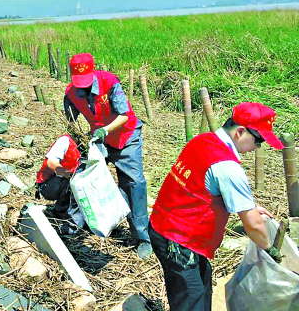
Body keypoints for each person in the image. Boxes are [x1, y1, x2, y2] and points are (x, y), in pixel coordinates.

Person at [149, 103, 283, 311]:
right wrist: (270, 251)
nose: (258, 147)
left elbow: (202, 184)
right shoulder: (227, 167)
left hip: (163, 226)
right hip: (180, 241)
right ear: (240, 132)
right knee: (190, 301)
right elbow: (254, 226)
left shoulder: (203, 140)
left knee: (201, 288)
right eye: (258, 141)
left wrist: (250, 205)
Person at [64, 53, 152, 259]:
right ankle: (82, 223)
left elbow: (124, 116)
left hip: (125, 137)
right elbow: (70, 122)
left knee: (133, 182)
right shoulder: (71, 93)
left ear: (93, 72)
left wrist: (105, 129)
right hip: (99, 141)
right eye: (79, 83)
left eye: (86, 82)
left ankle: (143, 237)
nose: (83, 87)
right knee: (84, 178)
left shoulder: (109, 83)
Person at [35, 133, 86, 235]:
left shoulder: (89, 145)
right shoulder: (65, 140)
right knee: (70, 182)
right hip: (50, 184)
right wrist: (68, 175)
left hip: (74, 182)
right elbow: (51, 162)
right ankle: (61, 211)